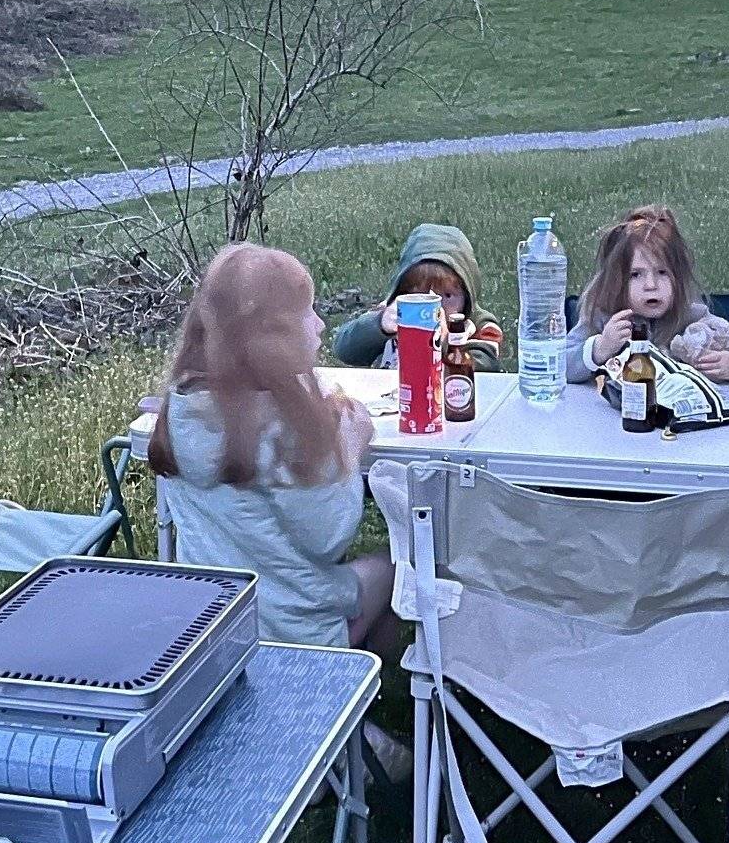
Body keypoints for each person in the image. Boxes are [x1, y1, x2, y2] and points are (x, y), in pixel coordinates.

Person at [149, 243, 401, 664]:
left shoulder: (182, 405)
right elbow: (329, 537)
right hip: (295, 630)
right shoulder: (285, 429)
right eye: (307, 313)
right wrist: (350, 442)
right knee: (400, 567)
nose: (320, 324)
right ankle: (351, 690)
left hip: (213, 625)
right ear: (270, 339)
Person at [571, 205, 729, 382]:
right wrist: (600, 348)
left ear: (678, 278)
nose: (651, 285)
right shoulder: (603, 318)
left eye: (662, 272)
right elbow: (560, 364)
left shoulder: (692, 316)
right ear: (616, 281)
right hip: (618, 408)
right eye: (635, 274)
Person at [328, 223, 504, 371]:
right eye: (418, 293)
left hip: (449, 399)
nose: (433, 302)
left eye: (447, 295)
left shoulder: (478, 326)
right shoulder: (397, 313)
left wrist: (439, 343)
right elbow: (344, 350)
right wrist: (379, 326)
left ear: (467, 296)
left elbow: (486, 367)